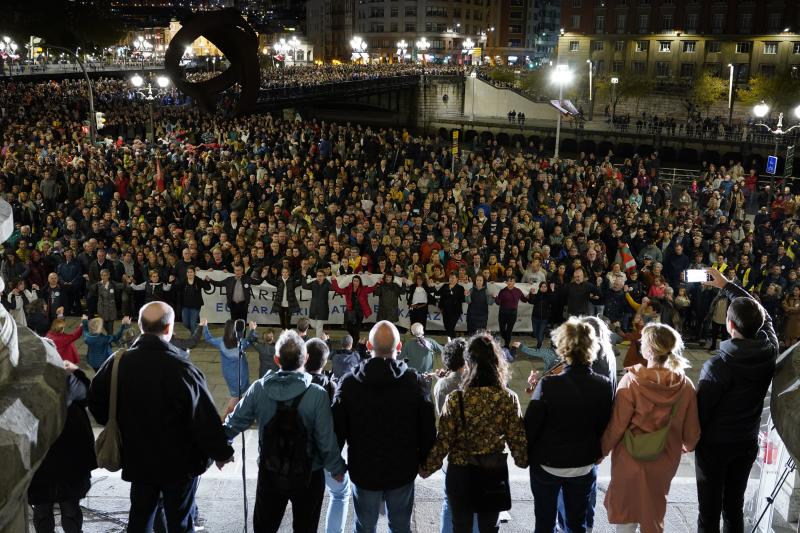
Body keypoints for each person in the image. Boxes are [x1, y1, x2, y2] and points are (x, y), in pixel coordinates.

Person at [89, 301, 234, 533]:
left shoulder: (118, 362)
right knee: (179, 522)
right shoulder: (183, 369)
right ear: (168, 328)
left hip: (138, 458)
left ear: (140, 326)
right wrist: (222, 452)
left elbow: (96, 403)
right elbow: (204, 420)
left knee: (140, 518)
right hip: (179, 464)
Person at [222, 330, 346, 533]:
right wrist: (336, 468)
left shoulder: (258, 389)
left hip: (271, 471)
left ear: (276, 359)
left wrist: (221, 450)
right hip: (309, 474)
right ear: (305, 359)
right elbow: (326, 439)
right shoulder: (317, 394)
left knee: (264, 527)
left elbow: (233, 423)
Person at [332, 320, 437, 533]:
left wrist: (336, 465)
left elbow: (336, 429)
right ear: (399, 347)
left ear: (369, 346)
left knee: (364, 527)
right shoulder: (414, 382)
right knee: (400, 526)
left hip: (364, 470)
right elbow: (427, 426)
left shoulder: (350, 383)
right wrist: (426, 461)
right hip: (402, 469)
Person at [695, 267, 778, 533]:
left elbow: (701, 412)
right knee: (733, 507)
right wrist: (727, 285)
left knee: (709, 512)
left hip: (714, 446)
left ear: (729, 326)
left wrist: (725, 285)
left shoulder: (718, 366)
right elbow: (765, 317)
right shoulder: (769, 350)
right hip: (746, 441)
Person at [420, 333, 528, 533]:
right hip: (492, 473)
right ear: (497, 362)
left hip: (460, 473)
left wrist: (427, 467)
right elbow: (519, 445)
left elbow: (443, 440)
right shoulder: (508, 398)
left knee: (460, 526)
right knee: (489, 527)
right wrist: (524, 459)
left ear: (468, 363)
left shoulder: (456, 399)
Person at [600, 323, 701, 533]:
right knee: (653, 512)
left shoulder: (631, 382)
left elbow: (616, 426)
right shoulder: (685, 386)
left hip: (629, 457)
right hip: (664, 458)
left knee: (626, 515)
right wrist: (682, 447)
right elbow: (692, 435)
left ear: (647, 350)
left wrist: (601, 451)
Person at [524, 318, 613, 533]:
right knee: (576, 524)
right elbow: (603, 425)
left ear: (563, 347)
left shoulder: (548, 384)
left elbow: (530, 427)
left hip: (548, 464)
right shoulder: (603, 385)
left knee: (544, 523)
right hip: (582, 465)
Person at [28, 360, 96, 533]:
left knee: (63, 508)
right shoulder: (25, 376)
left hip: (63, 458)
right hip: (45, 459)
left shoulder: (70, 376)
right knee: (48, 509)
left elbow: (86, 396)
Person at [306, 337, 352, 533]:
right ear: (324, 362)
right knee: (340, 493)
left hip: (296, 456)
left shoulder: (294, 383)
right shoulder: (330, 387)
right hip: (323, 456)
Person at [203, 319, 258, 415]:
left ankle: (239, 412)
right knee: (236, 396)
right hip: (241, 373)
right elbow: (251, 339)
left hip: (228, 373)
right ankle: (226, 417)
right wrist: (252, 329)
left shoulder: (221, 342)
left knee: (237, 394)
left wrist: (205, 326)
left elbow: (208, 338)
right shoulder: (241, 343)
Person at [332, 275, 377, 343]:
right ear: (352, 281)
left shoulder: (363, 289)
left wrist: (378, 283)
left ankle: (355, 344)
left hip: (359, 313)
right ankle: (356, 341)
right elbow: (338, 290)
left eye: (357, 281)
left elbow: (372, 288)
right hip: (350, 311)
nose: (355, 282)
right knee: (348, 327)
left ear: (359, 282)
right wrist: (334, 281)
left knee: (356, 329)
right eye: (354, 281)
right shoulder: (348, 289)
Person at [494, 276, 530, 348]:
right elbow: (498, 303)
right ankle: (507, 339)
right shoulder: (502, 291)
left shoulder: (518, 291)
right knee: (502, 331)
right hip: (502, 313)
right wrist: (495, 297)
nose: (510, 282)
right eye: (508, 281)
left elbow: (524, 300)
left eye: (511, 281)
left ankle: (507, 345)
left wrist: (529, 294)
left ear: (514, 282)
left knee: (509, 330)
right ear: (506, 282)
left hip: (513, 314)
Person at [174, 266, 210, 333]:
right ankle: (198, 331)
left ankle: (194, 337)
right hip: (185, 306)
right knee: (185, 324)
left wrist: (207, 281)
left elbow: (208, 288)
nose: (189, 274)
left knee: (192, 324)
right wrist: (172, 282)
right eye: (188, 272)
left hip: (195, 306)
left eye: (191, 272)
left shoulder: (198, 280)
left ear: (194, 273)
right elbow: (177, 289)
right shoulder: (184, 281)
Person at [268, 266, 303, 330]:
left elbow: (299, 282)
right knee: (282, 319)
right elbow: (270, 281)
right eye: (283, 272)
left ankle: (288, 331)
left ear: (288, 273)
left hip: (289, 303)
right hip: (280, 303)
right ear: (281, 273)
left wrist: (302, 275)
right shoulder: (279, 280)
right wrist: (266, 275)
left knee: (288, 319)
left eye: (286, 272)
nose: (285, 273)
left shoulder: (292, 280)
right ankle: (283, 330)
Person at [302, 269, 333, 338]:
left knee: (319, 326)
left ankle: (317, 341)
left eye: (321, 276)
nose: (319, 277)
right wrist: (304, 276)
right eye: (318, 276)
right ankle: (323, 334)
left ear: (324, 276)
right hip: (314, 307)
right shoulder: (314, 283)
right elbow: (304, 286)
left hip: (323, 308)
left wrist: (333, 280)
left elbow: (333, 288)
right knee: (313, 325)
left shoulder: (327, 284)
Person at [437, 272, 466, 338]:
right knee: (446, 327)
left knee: (451, 327)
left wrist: (454, 296)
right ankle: (454, 339)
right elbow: (438, 294)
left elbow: (462, 299)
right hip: (445, 310)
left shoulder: (460, 288)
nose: (451, 279)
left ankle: (450, 342)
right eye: (450, 278)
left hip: (455, 311)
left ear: (457, 279)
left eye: (453, 278)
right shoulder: (445, 286)